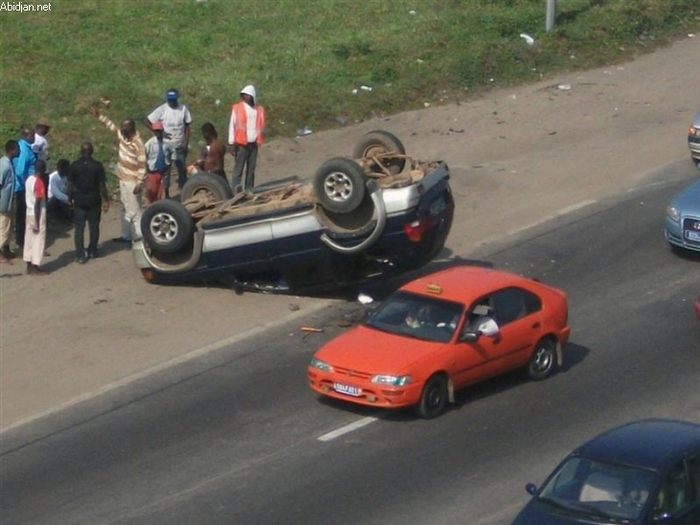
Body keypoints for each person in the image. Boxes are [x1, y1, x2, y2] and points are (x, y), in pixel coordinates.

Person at [90, 105, 146, 242]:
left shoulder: (138, 144)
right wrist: (98, 115)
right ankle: (126, 235)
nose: (121, 131)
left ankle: (140, 236)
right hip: (123, 178)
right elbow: (112, 127)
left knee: (135, 210)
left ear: (131, 129)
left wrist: (139, 183)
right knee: (125, 208)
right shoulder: (124, 136)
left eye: (124, 129)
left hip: (132, 181)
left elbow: (143, 165)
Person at [144, 88, 192, 197]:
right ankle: (167, 193)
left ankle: (184, 191)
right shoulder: (162, 109)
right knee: (167, 171)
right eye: (170, 100)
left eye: (173, 100)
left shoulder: (183, 109)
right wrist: (159, 132)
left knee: (182, 169)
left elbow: (188, 125)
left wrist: (186, 142)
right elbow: (147, 120)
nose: (172, 102)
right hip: (166, 147)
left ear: (177, 99)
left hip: (179, 145)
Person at [67, 142, 110, 263]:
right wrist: (106, 199)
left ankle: (80, 254)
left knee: (79, 228)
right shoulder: (97, 166)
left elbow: (70, 184)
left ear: (81, 151)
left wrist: (69, 199)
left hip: (79, 199)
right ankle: (92, 250)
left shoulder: (75, 165)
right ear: (92, 152)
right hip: (94, 198)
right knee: (94, 226)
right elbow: (101, 185)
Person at [227, 84, 266, 192]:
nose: (245, 97)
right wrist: (231, 143)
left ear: (252, 96)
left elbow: (260, 126)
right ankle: (235, 190)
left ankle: (249, 189)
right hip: (241, 144)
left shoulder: (259, 109)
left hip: (253, 144)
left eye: (247, 95)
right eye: (244, 95)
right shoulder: (238, 108)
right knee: (238, 169)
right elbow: (232, 125)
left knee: (251, 169)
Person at [12, 125, 36, 249]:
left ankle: (21, 239)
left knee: (22, 214)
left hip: (22, 186)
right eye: (32, 135)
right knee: (23, 214)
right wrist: (28, 184)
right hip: (23, 188)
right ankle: (21, 241)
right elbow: (20, 171)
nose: (34, 138)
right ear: (27, 136)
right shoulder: (25, 150)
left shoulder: (22, 146)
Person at [23, 159, 48, 275]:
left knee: (28, 239)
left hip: (29, 212)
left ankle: (28, 263)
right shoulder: (39, 183)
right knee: (38, 240)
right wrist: (37, 221)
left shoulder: (29, 179)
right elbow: (38, 203)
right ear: (43, 169)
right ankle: (35, 266)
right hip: (37, 214)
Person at [143, 121, 173, 205]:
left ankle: (160, 204)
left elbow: (171, 152)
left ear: (162, 131)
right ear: (153, 132)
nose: (158, 133)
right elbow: (144, 157)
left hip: (163, 169)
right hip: (152, 171)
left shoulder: (167, 143)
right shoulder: (149, 144)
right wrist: (146, 170)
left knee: (160, 191)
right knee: (151, 191)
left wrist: (169, 163)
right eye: (156, 131)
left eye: (159, 131)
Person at [0, 140, 19, 263]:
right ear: (12, 150)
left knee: (9, 226)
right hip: (3, 203)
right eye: (17, 149)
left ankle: (6, 249)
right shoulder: (4, 165)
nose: (19, 151)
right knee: (3, 228)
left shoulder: (8, 163)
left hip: (8, 202)